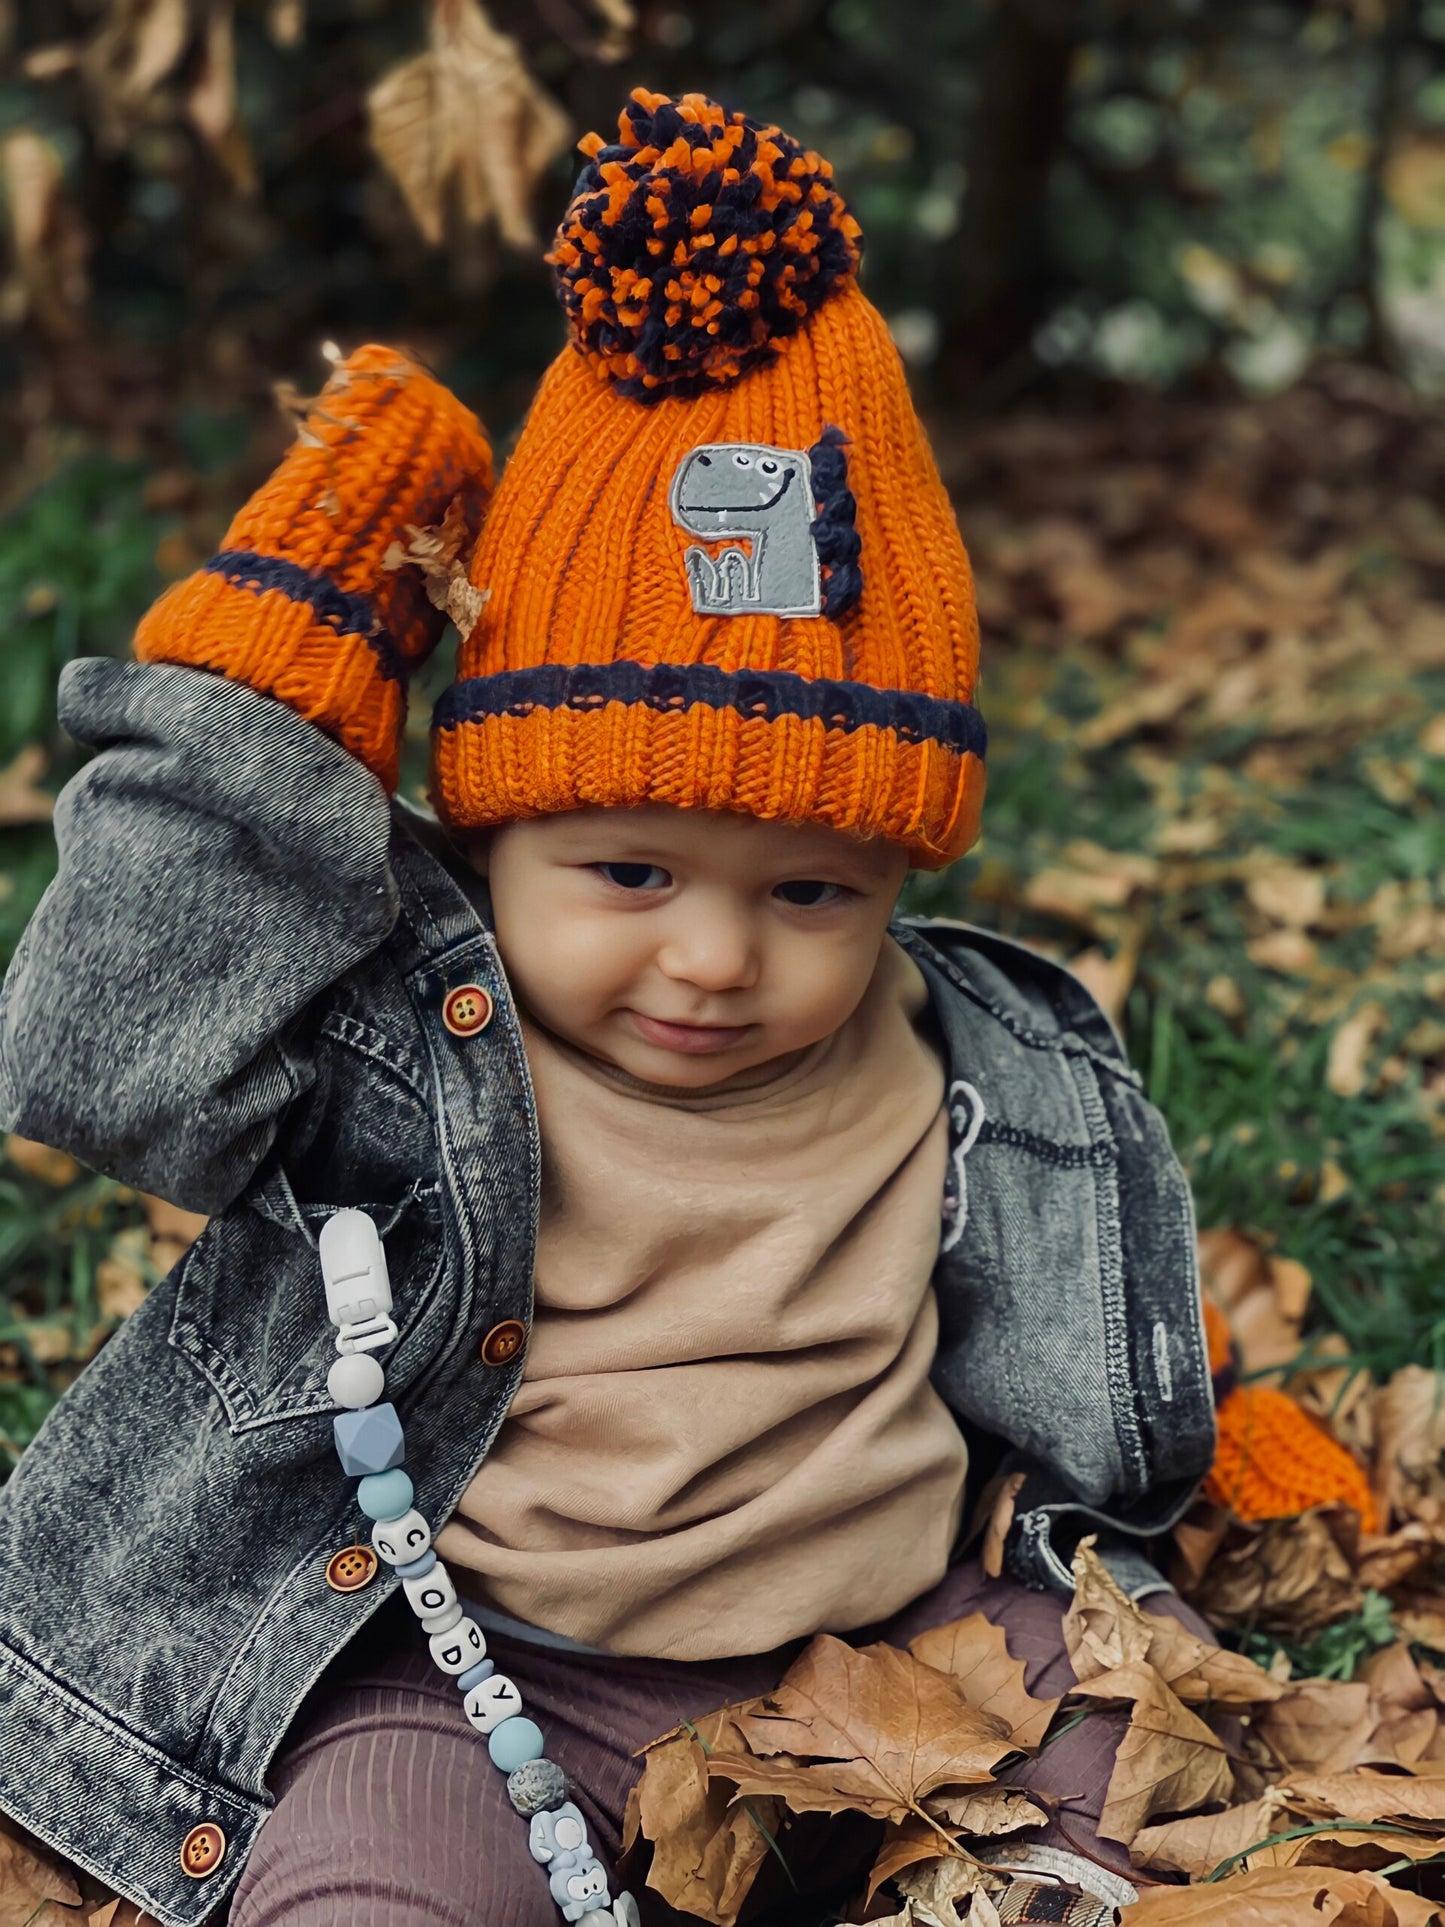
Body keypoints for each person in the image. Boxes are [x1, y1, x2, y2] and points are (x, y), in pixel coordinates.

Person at [0, 90, 1226, 1927]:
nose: (717, 961)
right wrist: (262, 706)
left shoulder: (974, 1058)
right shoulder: (396, 1040)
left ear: (901, 882)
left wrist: (1153, 1499)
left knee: (1137, 1789)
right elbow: (95, 1060)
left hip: (894, 1644)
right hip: (479, 1659)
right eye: (630, 876)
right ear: (488, 840)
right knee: (363, 1896)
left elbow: (1055, 1369)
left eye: (813, 892)